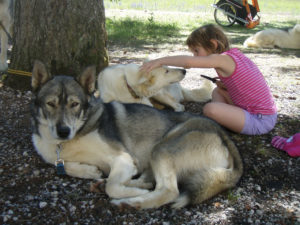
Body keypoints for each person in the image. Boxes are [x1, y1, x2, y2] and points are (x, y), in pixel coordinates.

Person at [140, 24, 277, 135]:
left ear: (213, 45)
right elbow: (245, 83)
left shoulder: (222, 59)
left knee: (210, 109)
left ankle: (219, 122)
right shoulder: (233, 56)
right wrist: (226, 85)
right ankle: (223, 120)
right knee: (218, 91)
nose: (194, 56)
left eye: (196, 51)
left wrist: (160, 61)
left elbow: (188, 62)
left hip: (260, 120)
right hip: (254, 111)